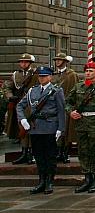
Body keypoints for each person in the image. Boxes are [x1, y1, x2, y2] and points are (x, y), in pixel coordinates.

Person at [16, 66, 65, 194]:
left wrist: (61, 128)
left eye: (44, 76)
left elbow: (61, 110)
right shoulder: (33, 90)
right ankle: (41, 181)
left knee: (50, 156)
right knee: (38, 156)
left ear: (50, 77)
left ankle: (49, 182)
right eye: (40, 76)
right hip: (35, 127)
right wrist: (23, 119)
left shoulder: (56, 91)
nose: (41, 78)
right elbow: (20, 105)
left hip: (50, 127)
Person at [66, 61, 95, 193]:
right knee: (83, 151)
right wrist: (71, 112)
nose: (88, 73)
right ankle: (87, 178)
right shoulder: (78, 86)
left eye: (91, 71)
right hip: (81, 122)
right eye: (86, 71)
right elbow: (68, 101)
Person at [4, 53, 38, 165]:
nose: (23, 64)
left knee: (32, 129)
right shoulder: (15, 75)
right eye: (21, 62)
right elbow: (8, 87)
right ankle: (24, 153)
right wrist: (10, 96)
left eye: (26, 62)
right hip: (19, 105)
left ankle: (32, 154)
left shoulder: (36, 74)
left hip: (32, 105)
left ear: (30, 63)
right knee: (22, 129)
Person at [51, 52, 77, 163]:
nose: (57, 61)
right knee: (57, 129)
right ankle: (58, 152)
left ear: (65, 62)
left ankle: (65, 153)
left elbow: (74, 90)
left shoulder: (71, 74)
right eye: (56, 60)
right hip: (54, 106)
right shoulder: (53, 74)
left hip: (66, 105)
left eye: (60, 60)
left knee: (66, 130)